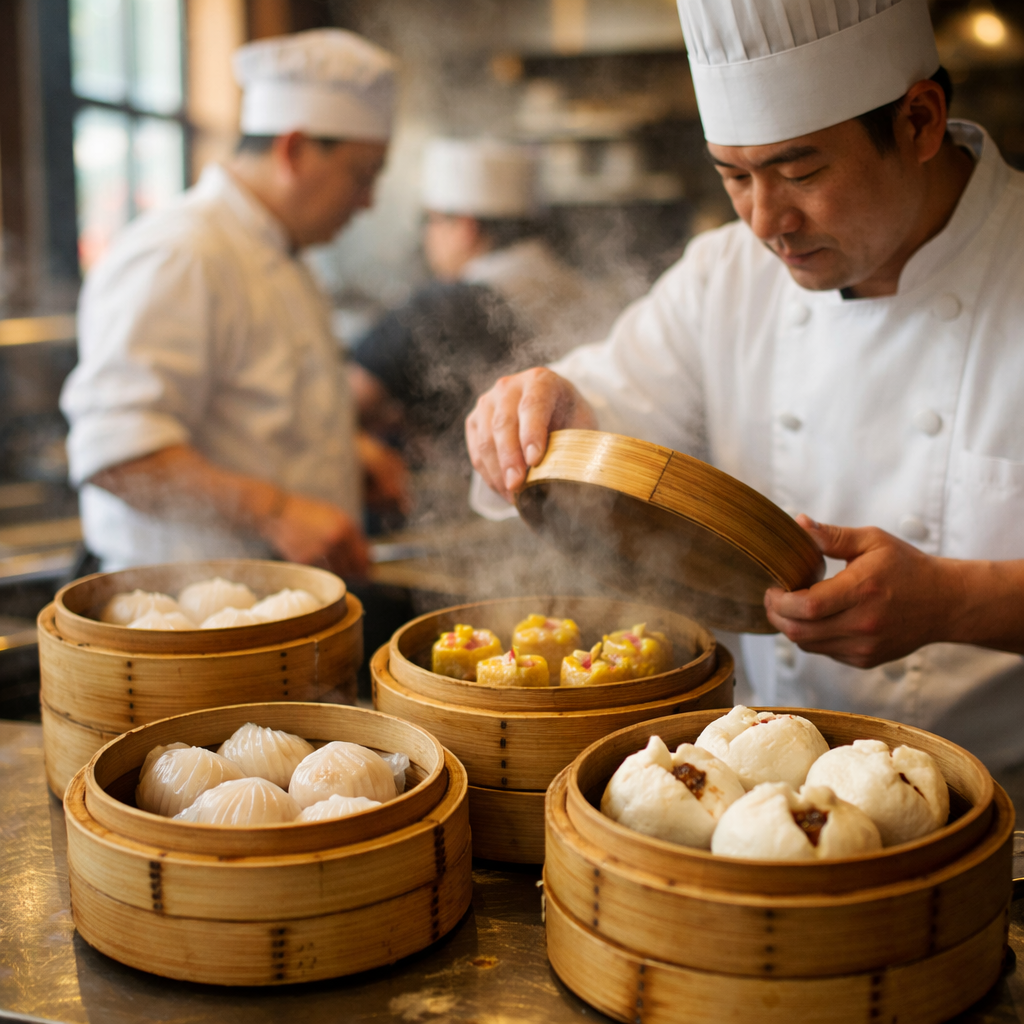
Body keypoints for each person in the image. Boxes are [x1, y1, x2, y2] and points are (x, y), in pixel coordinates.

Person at [465, 0, 1024, 770]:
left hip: (1001, 797)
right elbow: (607, 411)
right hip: (759, 786)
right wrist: (540, 413)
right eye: (733, 175)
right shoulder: (724, 275)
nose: (767, 222)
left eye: (802, 171)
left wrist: (957, 601)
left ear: (920, 122)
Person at [60, 29, 407, 574]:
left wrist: (346, 453)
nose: (367, 202)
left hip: (270, 603)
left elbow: (255, 419)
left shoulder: (286, 256)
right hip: (187, 615)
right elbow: (118, 455)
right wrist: (278, 512)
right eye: (361, 177)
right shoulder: (182, 252)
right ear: (293, 149)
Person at [350, 138, 594, 456]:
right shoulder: (570, 284)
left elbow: (344, 403)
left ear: (465, 228)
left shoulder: (445, 305)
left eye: (432, 221)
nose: (427, 237)